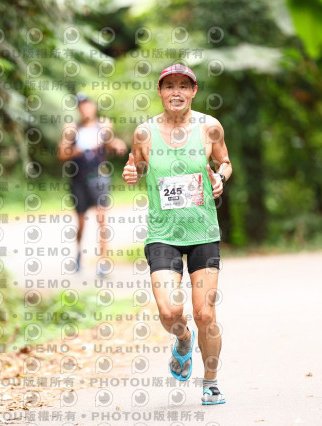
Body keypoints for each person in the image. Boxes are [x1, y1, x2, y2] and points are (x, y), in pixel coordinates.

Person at [122, 64, 233, 405]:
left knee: (205, 314)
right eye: (169, 86)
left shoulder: (210, 128)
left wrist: (220, 177)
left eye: (184, 86)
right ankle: (183, 338)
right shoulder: (144, 133)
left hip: (203, 230)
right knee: (170, 312)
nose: (176, 92)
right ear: (160, 91)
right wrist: (132, 172)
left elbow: (225, 162)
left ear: (194, 91)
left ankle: (211, 383)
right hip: (163, 233)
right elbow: (139, 167)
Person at [58, 92, 127, 275]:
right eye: (81, 106)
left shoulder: (102, 126)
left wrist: (115, 142)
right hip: (78, 179)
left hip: (99, 177)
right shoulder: (72, 129)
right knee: (81, 222)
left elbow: (112, 144)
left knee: (102, 219)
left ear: (94, 107)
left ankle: (103, 261)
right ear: (78, 109)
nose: (85, 109)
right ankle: (79, 254)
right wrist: (78, 149)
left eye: (87, 105)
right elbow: (62, 154)